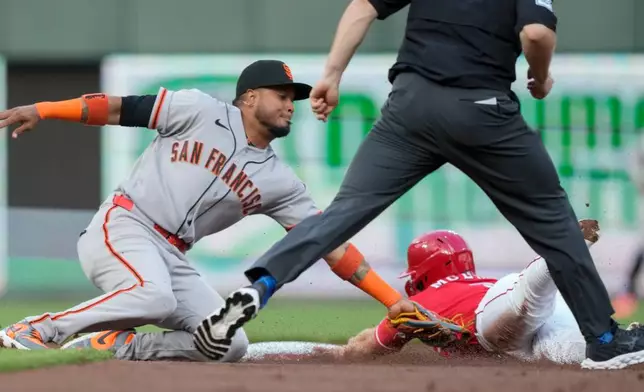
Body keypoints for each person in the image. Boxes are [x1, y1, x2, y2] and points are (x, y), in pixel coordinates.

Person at [197, 0, 644, 370]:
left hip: (409, 107)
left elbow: (361, 8)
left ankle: (258, 287)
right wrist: (541, 75)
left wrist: (331, 76)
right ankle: (603, 340)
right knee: (554, 220)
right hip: (481, 110)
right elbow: (535, 35)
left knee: (341, 213)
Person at [0, 59, 418, 362]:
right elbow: (117, 107)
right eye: (282, 95)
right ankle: (39, 328)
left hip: (173, 254)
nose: (291, 104)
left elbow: (329, 245)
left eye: (294, 98)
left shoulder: (280, 182)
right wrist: (44, 109)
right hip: (125, 223)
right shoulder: (199, 110)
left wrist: (389, 300)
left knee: (226, 344)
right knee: (155, 296)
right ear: (250, 96)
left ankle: (121, 346)